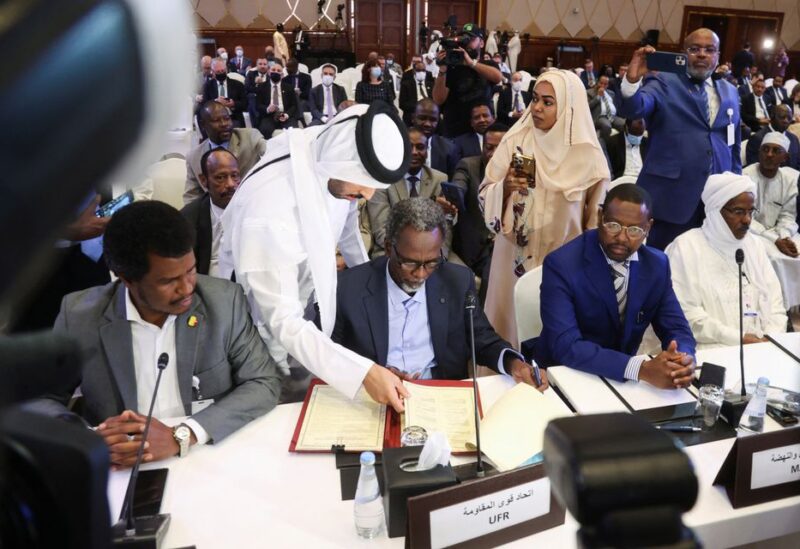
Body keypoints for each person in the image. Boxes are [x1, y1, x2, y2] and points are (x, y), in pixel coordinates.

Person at [36, 201, 282, 468]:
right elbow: (41, 399)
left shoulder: (224, 301)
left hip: (207, 451)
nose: (187, 288)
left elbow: (263, 382)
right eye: (168, 281)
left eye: (190, 271)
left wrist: (184, 435)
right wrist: (87, 438)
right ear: (126, 279)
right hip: (123, 465)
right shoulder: (79, 316)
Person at [220, 102, 414, 412]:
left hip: (303, 296)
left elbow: (347, 223)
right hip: (261, 321)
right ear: (341, 161)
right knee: (284, 401)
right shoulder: (270, 210)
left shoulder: (324, 155)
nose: (368, 196)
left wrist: (371, 284)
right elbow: (283, 322)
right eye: (364, 184)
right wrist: (362, 373)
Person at [334, 198, 548, 388]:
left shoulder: (457, 281)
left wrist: (514, 365)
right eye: (410, 263)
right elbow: (331, 354)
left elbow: (482, 339)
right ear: (389, 248)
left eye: (431, 263)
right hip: (374, 394)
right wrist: (368, 375)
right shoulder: (349, 288)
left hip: (437, 392)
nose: (420, 274)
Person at [479, 69, 609, 345]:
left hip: (565, 262)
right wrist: (504, 189)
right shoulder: (517, 141)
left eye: (548, 102)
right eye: (535, 98)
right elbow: (484, 193)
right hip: (513, 257)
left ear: (568, 107)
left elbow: (595, 223)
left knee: (556, 333)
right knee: (508, 331)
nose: (536, 108)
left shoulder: (589, 158)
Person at [523, 184, 697, 388]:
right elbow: (566, 346)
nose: (622, 238)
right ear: (600, 217)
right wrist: (640, 369)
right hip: (563, 376)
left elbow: (677, 327)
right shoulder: (562, 265)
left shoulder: (657, 265)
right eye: (613, 226)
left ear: (648, 228)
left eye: (634, 230)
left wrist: (682, 360)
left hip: (620, 381)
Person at [619, 28, 742, 249]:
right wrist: (632, 81)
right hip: (671, 198)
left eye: (709, 50)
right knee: (664, 263)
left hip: (716, 199)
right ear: (683, 53)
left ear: (718, 55)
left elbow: (732, 143)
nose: (702, 54)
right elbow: (635, 108)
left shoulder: (730, 91)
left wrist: (735, 186)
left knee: (705, 266)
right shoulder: (664, 82)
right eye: (694, 49)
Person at [665, 173, 787, 349]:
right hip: (710, 348)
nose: (747, 220)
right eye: (738, 212)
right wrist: (740, 338)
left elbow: (776, 303)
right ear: (715, 211)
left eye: (750, 211)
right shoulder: (686, 247)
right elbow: (686, 314)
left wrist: (771, 339)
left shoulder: (754, 245)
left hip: (763, 345)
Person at [366, 127, 455, 258]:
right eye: (408, 147)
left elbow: (445, 228)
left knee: (463, 274)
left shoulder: (439, 179)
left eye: (420, 147)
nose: (414, 152)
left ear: (427, 151)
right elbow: (381, 230)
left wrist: (438, 254)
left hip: (431, 253)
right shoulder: (383, 180)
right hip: (391, 252)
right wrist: (412, 254)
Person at [451, 123, 509, 302]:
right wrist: (453, 195)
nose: (492, 153)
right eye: (488, 147)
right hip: (478, 248)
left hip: (509, 244)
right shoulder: (469, 165)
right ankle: (484, 324)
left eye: (498, 148)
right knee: (493, 269)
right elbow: (458, 185)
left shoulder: (520, 169)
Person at [183, 101, 266, 205]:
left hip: (252, 205)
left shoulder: (251, 137)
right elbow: (192, 196)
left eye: (227, 119)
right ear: (203, 124)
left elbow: (272, 153)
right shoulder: (194, 157)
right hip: (217, 214)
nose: (224, 124)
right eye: (216, 120)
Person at [432, 23, 503, 137]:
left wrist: (470, 63)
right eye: (464, 39)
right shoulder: (452, 66)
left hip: (482, 128)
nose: (467, 43)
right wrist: (443, 68)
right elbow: (438, 99)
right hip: (455, 130)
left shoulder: (489, 64)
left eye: (471, 39)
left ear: (482, 43)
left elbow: (498, 77)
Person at [181, 148, 240, 277]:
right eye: (220, 177)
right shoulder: (188, 219)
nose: (230, 184)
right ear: (203, 180)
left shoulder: (252, 210)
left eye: (234, 176)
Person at [743, 132, 800, 258]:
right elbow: (743, 217)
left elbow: (788, 215)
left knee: (795, 256)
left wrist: (784, 236)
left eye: (776, 151)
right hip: (749, 232)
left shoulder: (789, 180)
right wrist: (774, 239)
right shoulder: (745, 177)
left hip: (779, 232)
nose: (769, 154)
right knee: (767, 256)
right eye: (765, 149)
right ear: (759, 153)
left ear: (785, 157)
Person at [411, 98, 460, 179]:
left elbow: (453, 184)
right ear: (413, 118)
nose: (427, 124)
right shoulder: (399, 145)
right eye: (422, 118)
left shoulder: (449, 149)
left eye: (433, 120)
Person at [745, 104, 800, 169]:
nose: (786, 121)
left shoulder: (794, 139)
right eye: (782, 117)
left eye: (789, 118)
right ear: (772, 116)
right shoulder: (757, 138)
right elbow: (754, 168)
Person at [255, 59, 299, 138]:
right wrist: (267, 109)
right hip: (269, 116)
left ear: (282, 75)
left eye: (278, 71)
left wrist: (286, 115)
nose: (275, 72)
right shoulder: (261, 87)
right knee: (264, 130)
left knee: (294, 131)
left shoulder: (289, 87)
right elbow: (258, 105)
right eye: (273, 70)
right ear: (269, 72)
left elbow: (294, 105)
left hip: (284, 114)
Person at [202, 57, 247, 127]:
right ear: (213, 72)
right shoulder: (208, 86)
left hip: (233, 117)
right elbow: (204, 104)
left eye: (223, 71)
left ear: (226, 70)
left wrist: (233, 104)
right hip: (214, 118)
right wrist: (215, 102)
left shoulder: (237, 85)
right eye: (218, 72)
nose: (221, 73)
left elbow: (245, 104)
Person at [588, 74, 625, 141]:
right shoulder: (590, 92)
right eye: (601, 83)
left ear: (608, 85)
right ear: (597, 82)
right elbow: (588, 107)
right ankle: (605, 145)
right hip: (600, 116)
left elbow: (614, 106)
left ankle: (620, 145)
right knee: (607, 126)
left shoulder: (611, 93)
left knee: (624, 124)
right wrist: (598, 96)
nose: (602, 86)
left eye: (605, 84)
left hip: (613, 116)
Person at [399, 60, 433, 126]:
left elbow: (435, 100)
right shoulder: (406, 85)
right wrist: (420, 107)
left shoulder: (431, 84)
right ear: (414, 71)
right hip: (413, 113)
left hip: (430, 113)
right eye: (419, 70)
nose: (421, 72)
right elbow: (402, 104)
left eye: (423, 70)